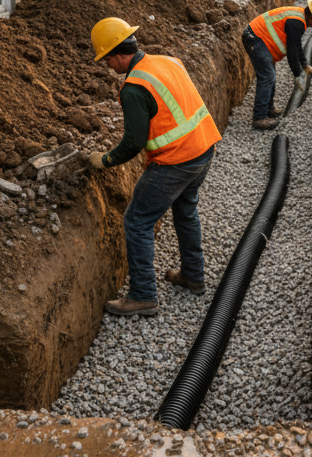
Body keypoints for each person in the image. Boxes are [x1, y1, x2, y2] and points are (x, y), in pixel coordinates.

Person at [83, 17, 222, 317]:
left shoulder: (133, 88)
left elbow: (133, 142)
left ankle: (143, 296)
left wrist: (104, 159)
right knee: (186, 211)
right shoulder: (168, 61)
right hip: (204, 147)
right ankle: (193, 276)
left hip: (176, 161)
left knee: (137, 221)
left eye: (107, 59)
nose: (107, 66)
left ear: (119, 55)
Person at [241, 0, 312, 129]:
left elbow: (296, 45)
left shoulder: (300, 17)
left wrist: (305, 64)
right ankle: (259, 118)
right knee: (267, 76)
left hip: (259, 39)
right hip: (255, 38)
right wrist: (297, 74)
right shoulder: (297, 23)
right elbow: (292, 52)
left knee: (270, 75)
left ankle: (269, 109)